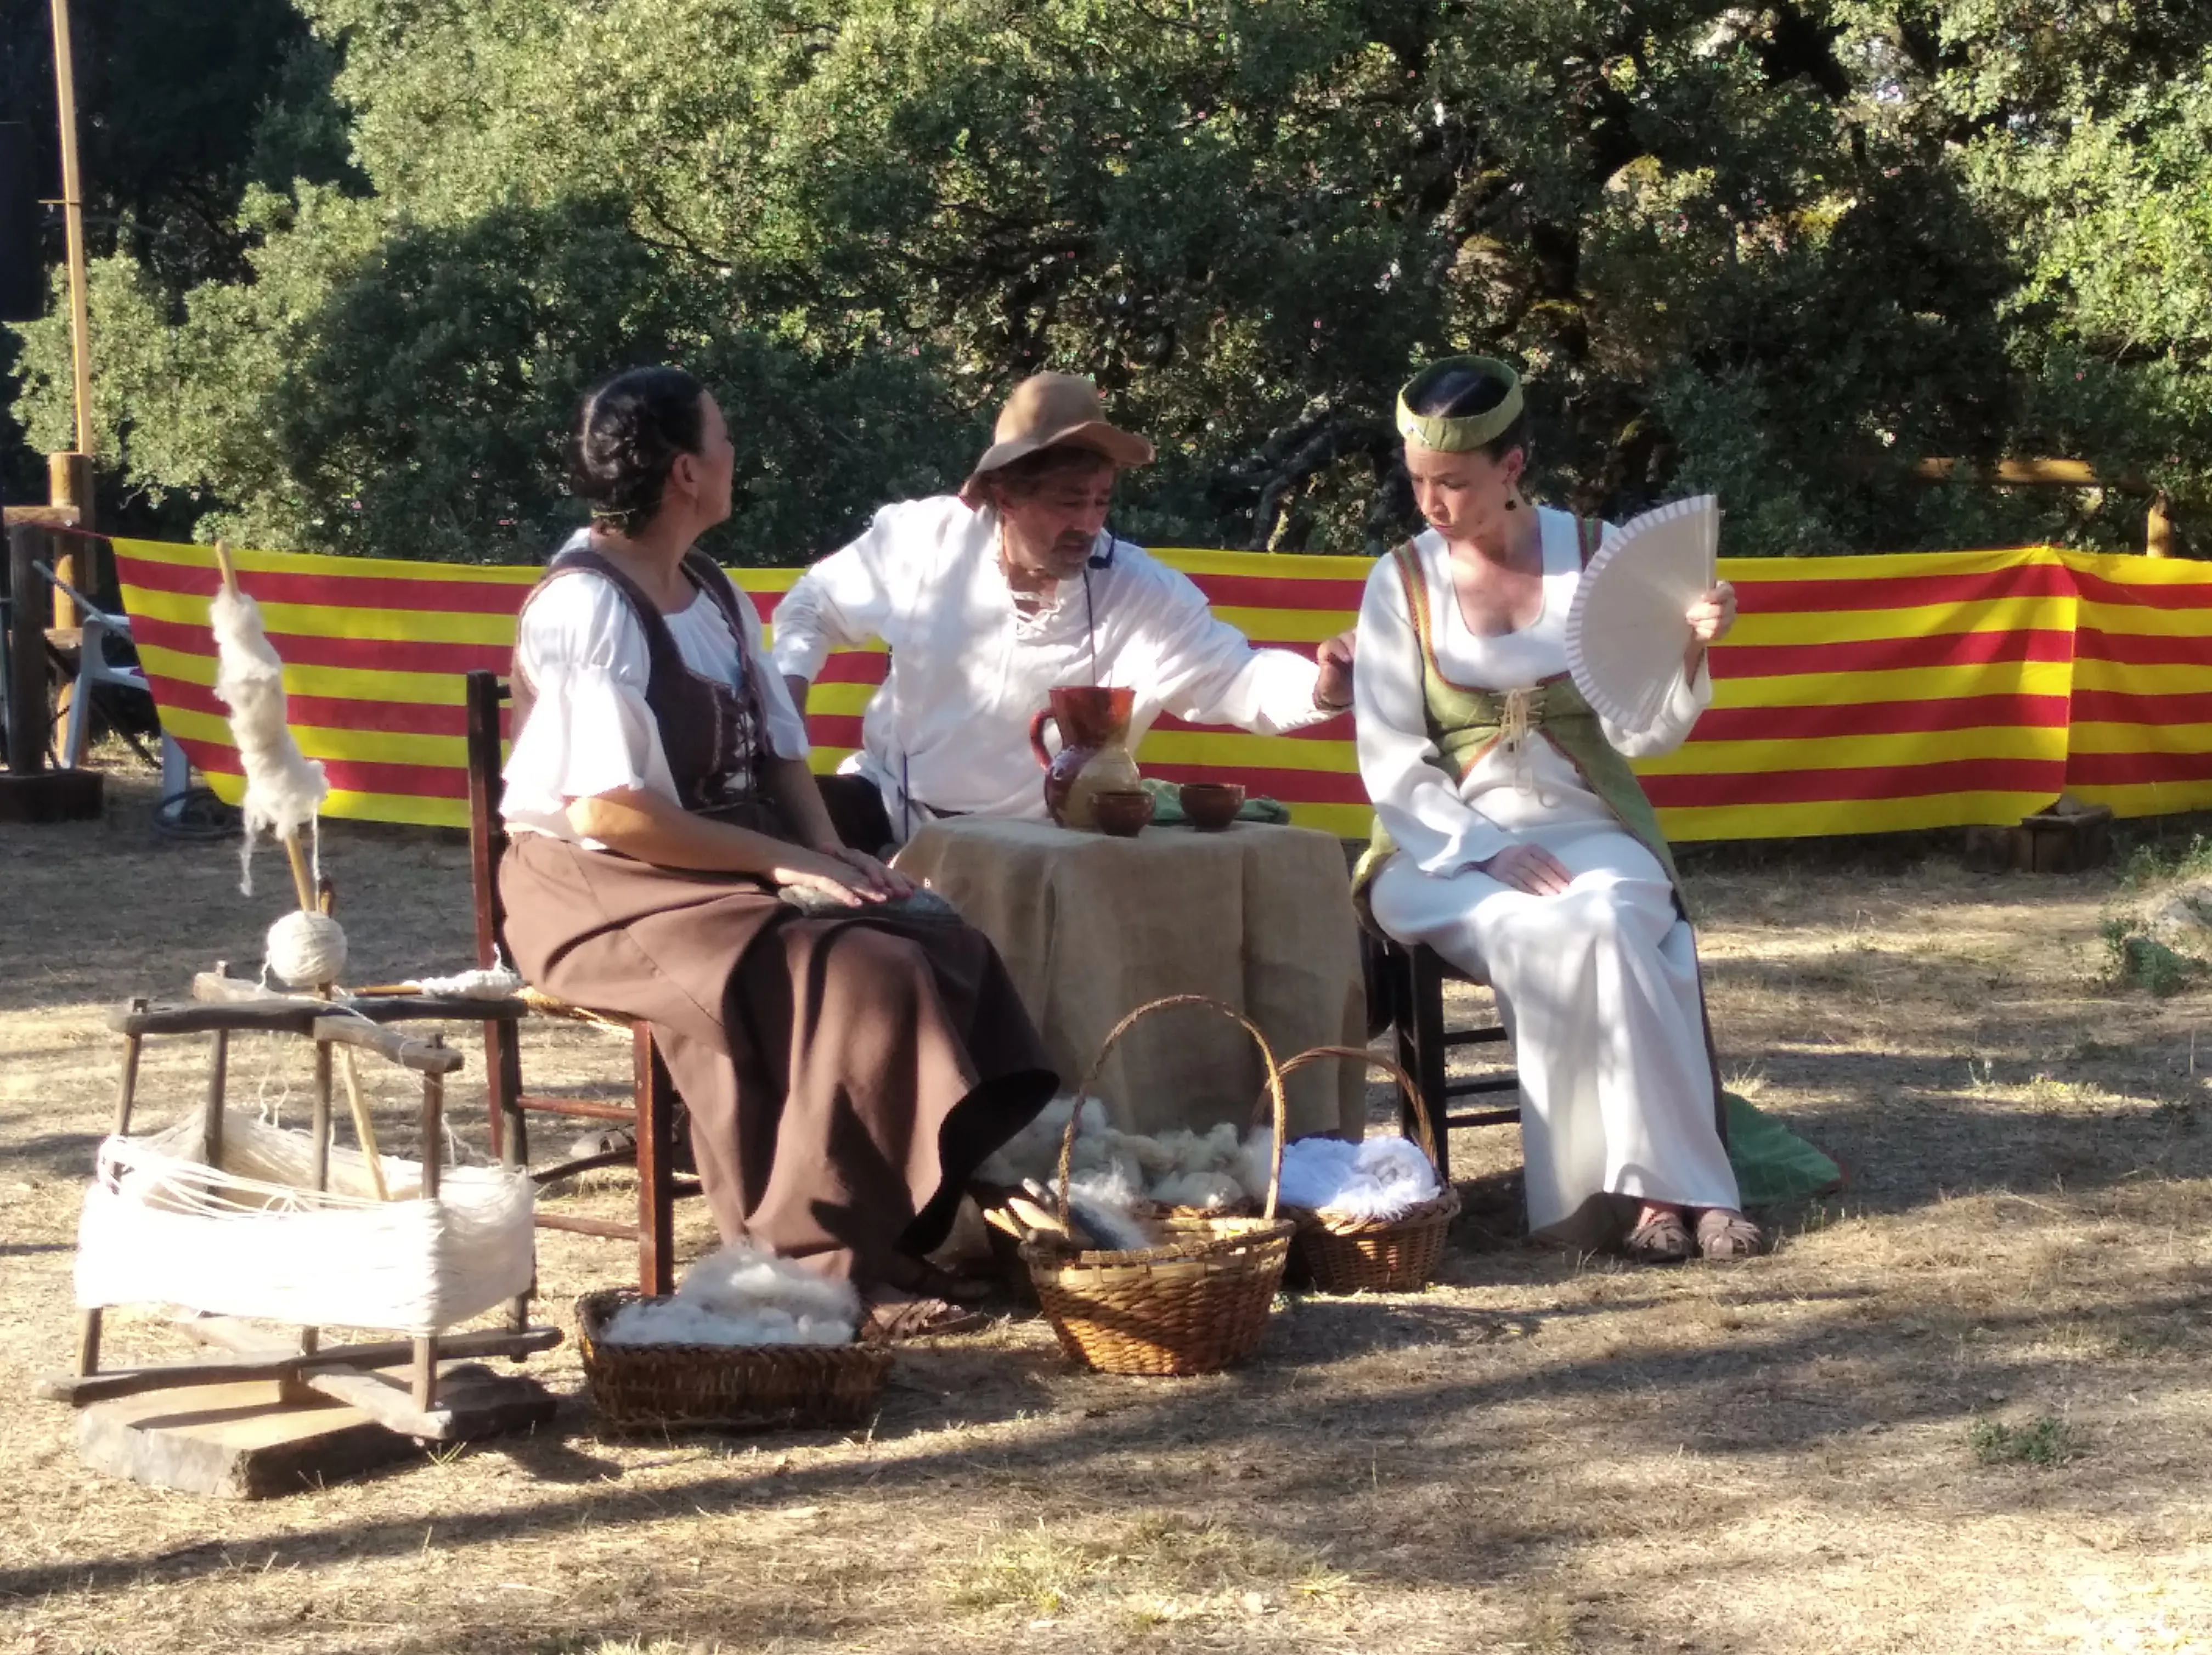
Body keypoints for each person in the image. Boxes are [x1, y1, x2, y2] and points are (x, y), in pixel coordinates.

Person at [496, 366, 1060, 1336]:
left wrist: (833, 854)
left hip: (713, 863)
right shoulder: (585, 606)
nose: (733, 456)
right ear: (686, 472)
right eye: (721, 440)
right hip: (602, 890)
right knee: (867, 974)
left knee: (939, 938)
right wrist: (779, 867)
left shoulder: (711, 590)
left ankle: (909, 1229)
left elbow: (780, 752)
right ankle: (817, 1261)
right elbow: (611, 813)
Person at [1351, 356, 1759, 1262]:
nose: (1431, 504)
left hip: (1589, 827)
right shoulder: (1400, 582)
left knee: (1611, 917)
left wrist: (1691, 649)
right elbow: (1389, 756)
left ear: (1513, 465)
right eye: (1417, 481)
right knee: (1555, 928)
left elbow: (1644, 735)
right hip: (1437, 848)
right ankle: (1668, 1194)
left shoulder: (1602, 558)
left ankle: (1655, 1197)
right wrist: (1482, 847)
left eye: (1453, 482)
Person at [771, 371, 1356, 847]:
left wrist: (1325, 688)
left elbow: (1238, 679)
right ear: (1006, 494)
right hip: (891, 811)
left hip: (1046, 847)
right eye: (1069, 501)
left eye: (1101, 501)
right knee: (761, 824)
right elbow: (812, 605)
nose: (1089, 524)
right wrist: (786, 700)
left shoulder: (1142, 592)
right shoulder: (924, 541)